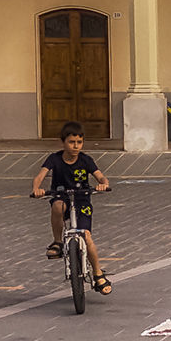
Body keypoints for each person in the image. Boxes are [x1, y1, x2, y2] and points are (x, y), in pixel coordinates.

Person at [31, 121, 113, 293]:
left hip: (82, 199)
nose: (75, 146)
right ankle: (58, 242)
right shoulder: (54, 159)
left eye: (79, 142)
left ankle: (98, 274)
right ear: (63, 142)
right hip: (61, 196)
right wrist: (36, 189)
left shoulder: (86, 160)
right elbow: (40, 176)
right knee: (58, 207)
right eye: (71, 142)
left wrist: (103, 185)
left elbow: (101, 177)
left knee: (87, 236)